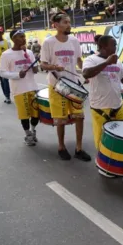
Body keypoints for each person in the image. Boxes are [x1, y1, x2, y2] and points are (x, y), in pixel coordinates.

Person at [82, 35, 123, 176]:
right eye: (113, 44)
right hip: (100, 108)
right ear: (103, 46)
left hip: (118, 106)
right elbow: (86, 74)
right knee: (104, 139)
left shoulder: (117, 62)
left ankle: (116, 164)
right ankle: (103, 166)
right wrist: (106, 63)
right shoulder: (91, 59)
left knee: (121, 136)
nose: (116, 48)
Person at [40, 13, 92, 162]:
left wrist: (85, 74)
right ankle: (61, 147)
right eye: (65, 22)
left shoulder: (74, 41)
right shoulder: (48, 43)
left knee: (79, 117)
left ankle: (79, 149)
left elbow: (79, 60)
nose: (69, 25)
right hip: (57, 85)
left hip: (74, 84)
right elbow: (43, 64)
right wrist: (53, 66)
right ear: (55, 25)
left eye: (69, 22)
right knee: (61, 119)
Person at [0, 29, 40, 146]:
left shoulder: (29, 52)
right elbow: (2, 72)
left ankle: (33, 131)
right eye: (21, 37)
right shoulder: (6, 54)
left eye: (24, 36)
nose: (24, 39)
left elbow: (35, 70)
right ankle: (28, 135)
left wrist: (34, 65)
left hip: (32, 87)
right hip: (19, 90)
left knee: (35, 115)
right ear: (13, 39)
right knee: (24, 115)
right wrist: (17, 75)